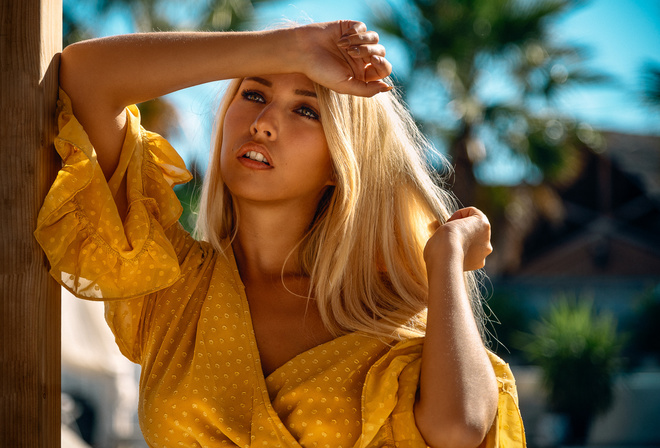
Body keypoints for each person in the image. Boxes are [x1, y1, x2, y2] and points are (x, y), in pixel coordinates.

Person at [35, 21, 525, 448]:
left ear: (340, 163)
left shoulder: (386, 312)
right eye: (253, 95)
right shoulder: (170, 286)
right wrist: (288, 48)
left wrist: (445, 259)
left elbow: (461, 429)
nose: (264, 123)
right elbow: (85, 78)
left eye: (306, 111)